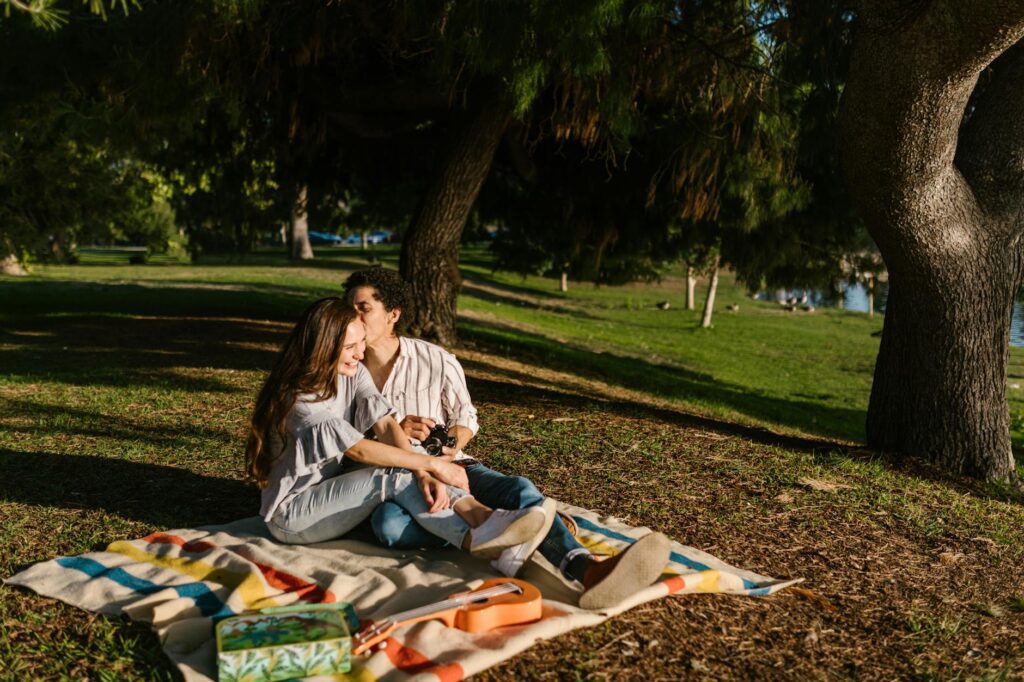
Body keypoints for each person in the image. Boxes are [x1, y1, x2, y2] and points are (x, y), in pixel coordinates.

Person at [342, 268, 671, 610]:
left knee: (518, 489)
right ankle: (518, 534)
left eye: (362, 307)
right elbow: (344, 440)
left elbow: (465, 419)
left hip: (450, 465)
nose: (352, 314)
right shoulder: (346, 367)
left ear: (392, 315)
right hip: (392, 478)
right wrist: (389, 435)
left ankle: (586, 569)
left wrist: (446, 451)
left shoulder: (435, 359)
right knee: (389, 527)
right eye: (347, 306)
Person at [245, 297, 554, 559]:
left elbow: (385, 424)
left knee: (402, 465)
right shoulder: (296, 397)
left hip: (333, 494)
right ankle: (481, 534)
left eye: (362, 341)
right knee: (389, 475)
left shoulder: (353, 374)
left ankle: (491, 529)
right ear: (322, 347)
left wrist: (422, 474)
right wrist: (433, 465)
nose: (361, 352)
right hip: (294, 516)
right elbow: (358, 448)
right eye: (350, 346)